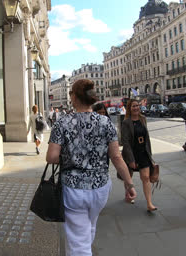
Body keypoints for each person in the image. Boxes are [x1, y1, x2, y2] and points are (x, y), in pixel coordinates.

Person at [46, 79, 136, 256]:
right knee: (89, 226)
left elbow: (51, 157)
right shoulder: (105, 122)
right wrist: (129, 184)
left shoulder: (62, 123)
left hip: (73, 190)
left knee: (78, 242)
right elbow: (116, 157)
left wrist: (72, 157)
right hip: (100, 188)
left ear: (74, 97)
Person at [121, 99, 157, 211]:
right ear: (129, 109)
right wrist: (131, 159)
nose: (136, 108)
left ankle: (149, 203)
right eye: (133, 106)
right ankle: (129, 194)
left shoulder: (143, 119)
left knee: (146, 177)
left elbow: (147, 138)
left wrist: (150, 154)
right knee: (129, 177)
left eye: (137, 106)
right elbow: (125, 142)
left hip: (143, 152)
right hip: (132, 152)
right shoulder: (126, 122)